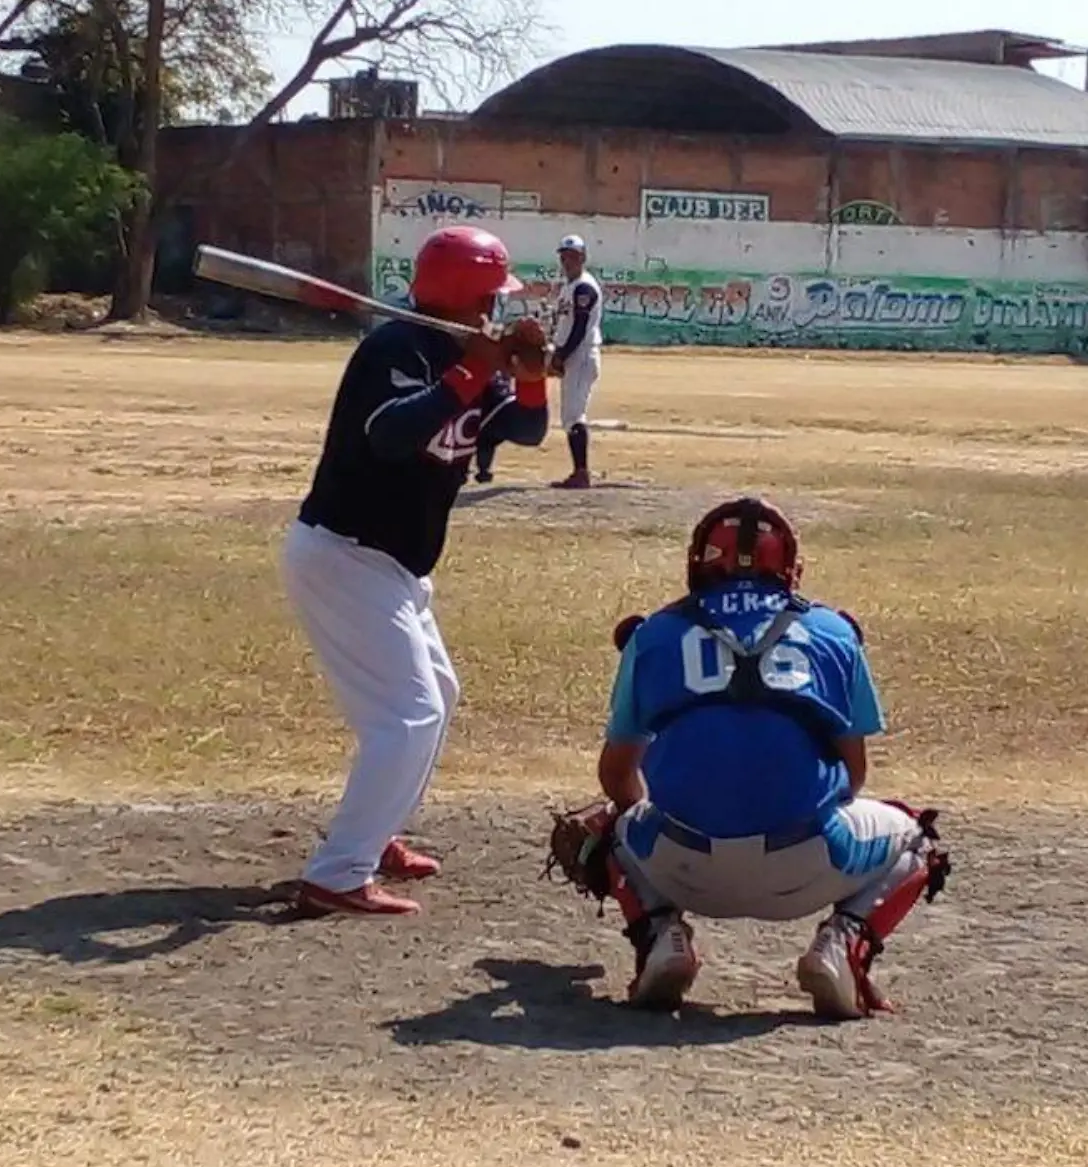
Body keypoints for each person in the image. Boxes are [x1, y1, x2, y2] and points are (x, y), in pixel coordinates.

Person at [547, 498, 950, 1018]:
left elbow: (616, 774)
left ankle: (660, 938)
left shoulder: (654, 635)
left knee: (612, 823)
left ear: (697, 561)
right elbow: (854, 777)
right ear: (789, 569)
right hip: (809, 862)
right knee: (918, 837)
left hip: (681, 864)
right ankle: (844, 946)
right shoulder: (832, 632)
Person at [283, 225, 553, 917]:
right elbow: (391, 433)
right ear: (464, 298)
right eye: (490, 297)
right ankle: (339, 873)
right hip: (345, 551)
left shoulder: (471, 352)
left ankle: (375, 836)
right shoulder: (395, 348)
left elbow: (522, 432)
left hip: (395, 565)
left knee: (438, 694)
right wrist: (470, 369)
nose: (496, 309)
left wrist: (523, 373)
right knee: (408, 715)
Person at [548, 235, 603, 489]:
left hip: (581, 354)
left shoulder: (584, 287)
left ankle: (581, 473)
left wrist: (562, 355)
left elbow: (579, 328)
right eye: (564, 256)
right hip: (574, 354)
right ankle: (579, 471)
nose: (567, 260)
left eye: (572, 256)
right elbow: (563, 324)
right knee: (569, 415)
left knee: (574, 415)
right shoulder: (569, 287)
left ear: (583, 257)